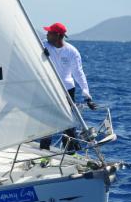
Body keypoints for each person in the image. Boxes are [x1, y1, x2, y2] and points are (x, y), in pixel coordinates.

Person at [41, 22, 97, 151]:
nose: (47, 34)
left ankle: (71, 151)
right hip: (49, 87)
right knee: (47, 120)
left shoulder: (72, 51)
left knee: (68, 121)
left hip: (67, 89)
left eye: (49, 32)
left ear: (58, 35)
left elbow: (79, 73)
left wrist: (87, 96)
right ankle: (44, 150)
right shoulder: (42, 45)